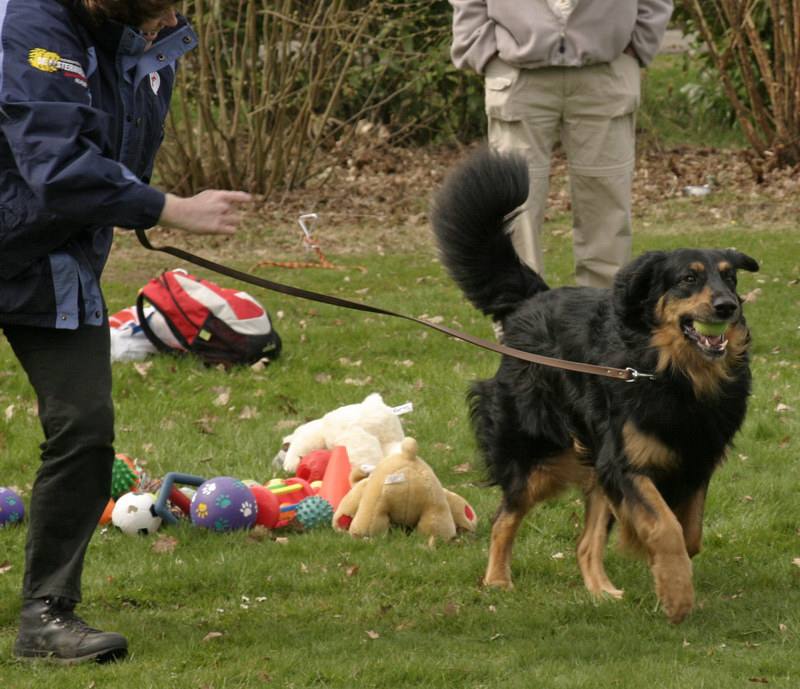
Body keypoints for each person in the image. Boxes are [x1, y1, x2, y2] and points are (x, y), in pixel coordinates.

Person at [0, 0, 251, 664]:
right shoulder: (29, 23)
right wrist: (169, 209)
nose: (169, 24)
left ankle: (46, 616)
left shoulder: (148, 43)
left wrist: (131, 199)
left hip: (50, 262)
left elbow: (116, 160)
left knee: (84, 427)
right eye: (157, 12)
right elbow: (58, 164)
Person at [449, 0, 673, 288]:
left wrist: (639, 44)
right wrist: (483, 50)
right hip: (517, 74)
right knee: (515, 202)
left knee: (607, 202)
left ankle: (604, 314)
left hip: (607, 70)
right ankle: (518, 313)